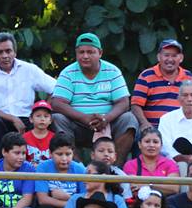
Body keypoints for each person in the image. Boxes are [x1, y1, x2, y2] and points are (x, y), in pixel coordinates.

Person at [49, 33, 138, 164]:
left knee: (129, 119)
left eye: (90, 52)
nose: (85, 56)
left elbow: (124, 102)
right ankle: (78, 170)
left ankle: (114, 169)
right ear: (76, 53)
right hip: (78, 124)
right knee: (57, 119)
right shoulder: (68, 73)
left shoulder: (112, 71)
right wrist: (83, 118)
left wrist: (106, 118)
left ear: (100, 53)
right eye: (81, 52)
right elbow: (57, 103)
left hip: (108, 123)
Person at [0, 32, 56, 154]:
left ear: (15, 52)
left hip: (28, 118)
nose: (5, 55)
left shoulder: (29, 69)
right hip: (1, 118)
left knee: (46, 120)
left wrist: (44, 111)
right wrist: (13, 119)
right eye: (0, 52)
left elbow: (56, 88)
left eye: (8, 51)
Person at [130, 39, 192, 130]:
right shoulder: (146, 76)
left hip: (181, 128)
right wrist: (144, 123)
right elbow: (135, 105)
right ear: (159, 57)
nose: (170, 59)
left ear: (181, 58)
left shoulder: (189, 77)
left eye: (174, 56)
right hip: (153, 129)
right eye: (166, 55)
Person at [34, 133, 86, 208]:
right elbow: (42, 199)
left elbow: (84, 200)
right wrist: (71, 202)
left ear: (73, 153)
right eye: (59, 154)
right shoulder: (43, 168)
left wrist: (66, 198)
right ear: (50, 154)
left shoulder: (80, 169)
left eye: (68, 154)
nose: (64, 158)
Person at [58, 161, 131, 208]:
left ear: (103, 177)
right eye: (84, 174)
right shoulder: (75, 198)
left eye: (89, 174)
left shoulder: (116, 199)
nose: (84, 178)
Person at [122, 126, 180, 196]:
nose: (151, 145)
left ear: (161, 145)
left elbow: (174, 188)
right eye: (147, 141)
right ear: (139, 145)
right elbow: (134, 187)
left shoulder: (170, 164)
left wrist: (147, 184)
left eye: (155, 142)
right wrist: (161, 186)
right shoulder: (130, 165)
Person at [23, 100, 55, 167]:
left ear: (51, 120)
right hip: (29, 173)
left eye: (46, 116)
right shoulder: (24, 138)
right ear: (31, 119)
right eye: (38, 116)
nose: (42, 119)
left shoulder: (55, 138)